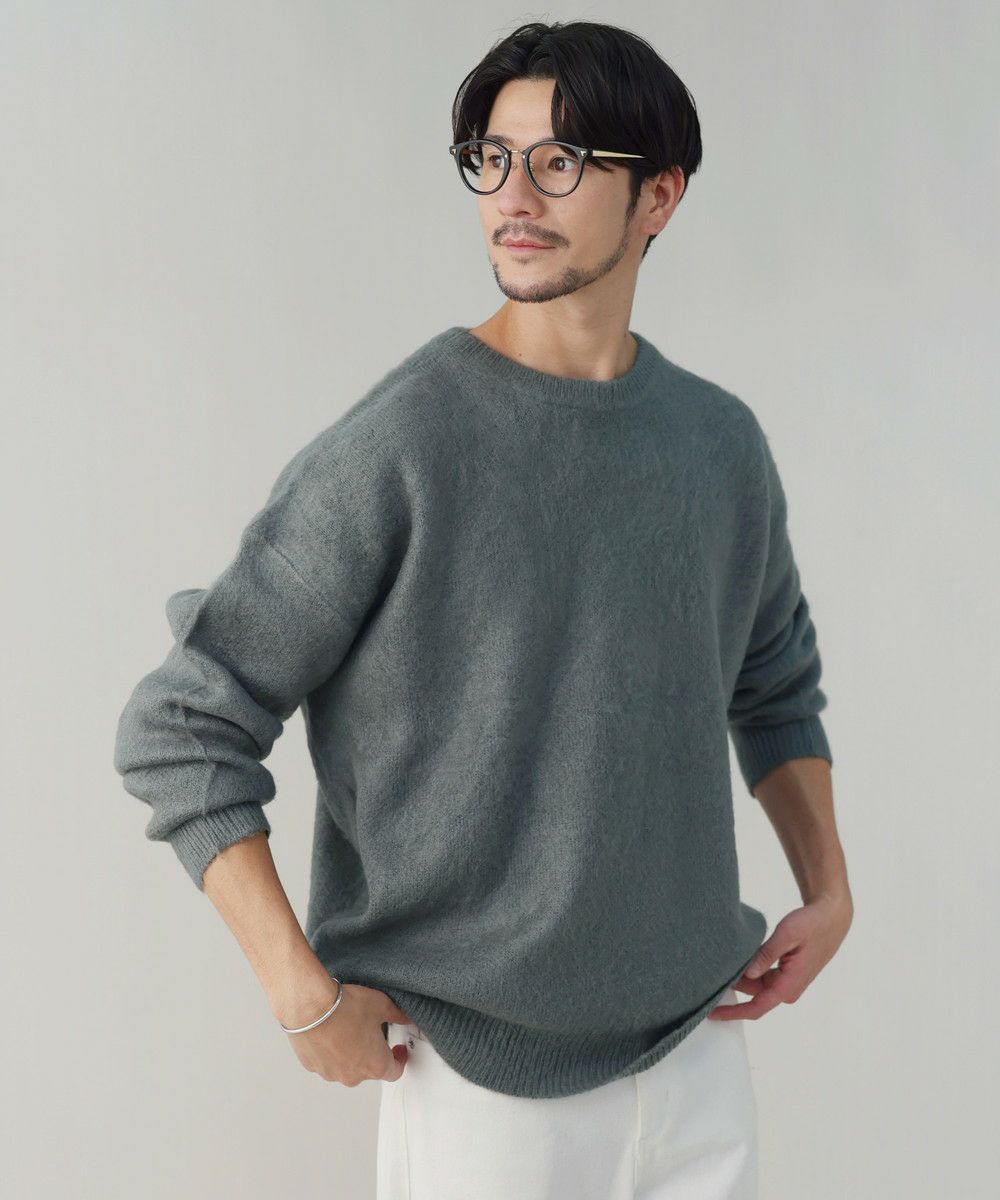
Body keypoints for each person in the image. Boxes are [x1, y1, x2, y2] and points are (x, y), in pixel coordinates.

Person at [114, 18, 852, 1200]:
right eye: (491, 159)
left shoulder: (718, 443)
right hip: (477, 1083)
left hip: (698, 1053)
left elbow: (772, 682)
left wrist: (828, 888)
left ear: (658, 196)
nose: (512, 195)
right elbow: (183, 722)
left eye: (560, 162)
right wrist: (299, 991)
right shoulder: (405, 443)